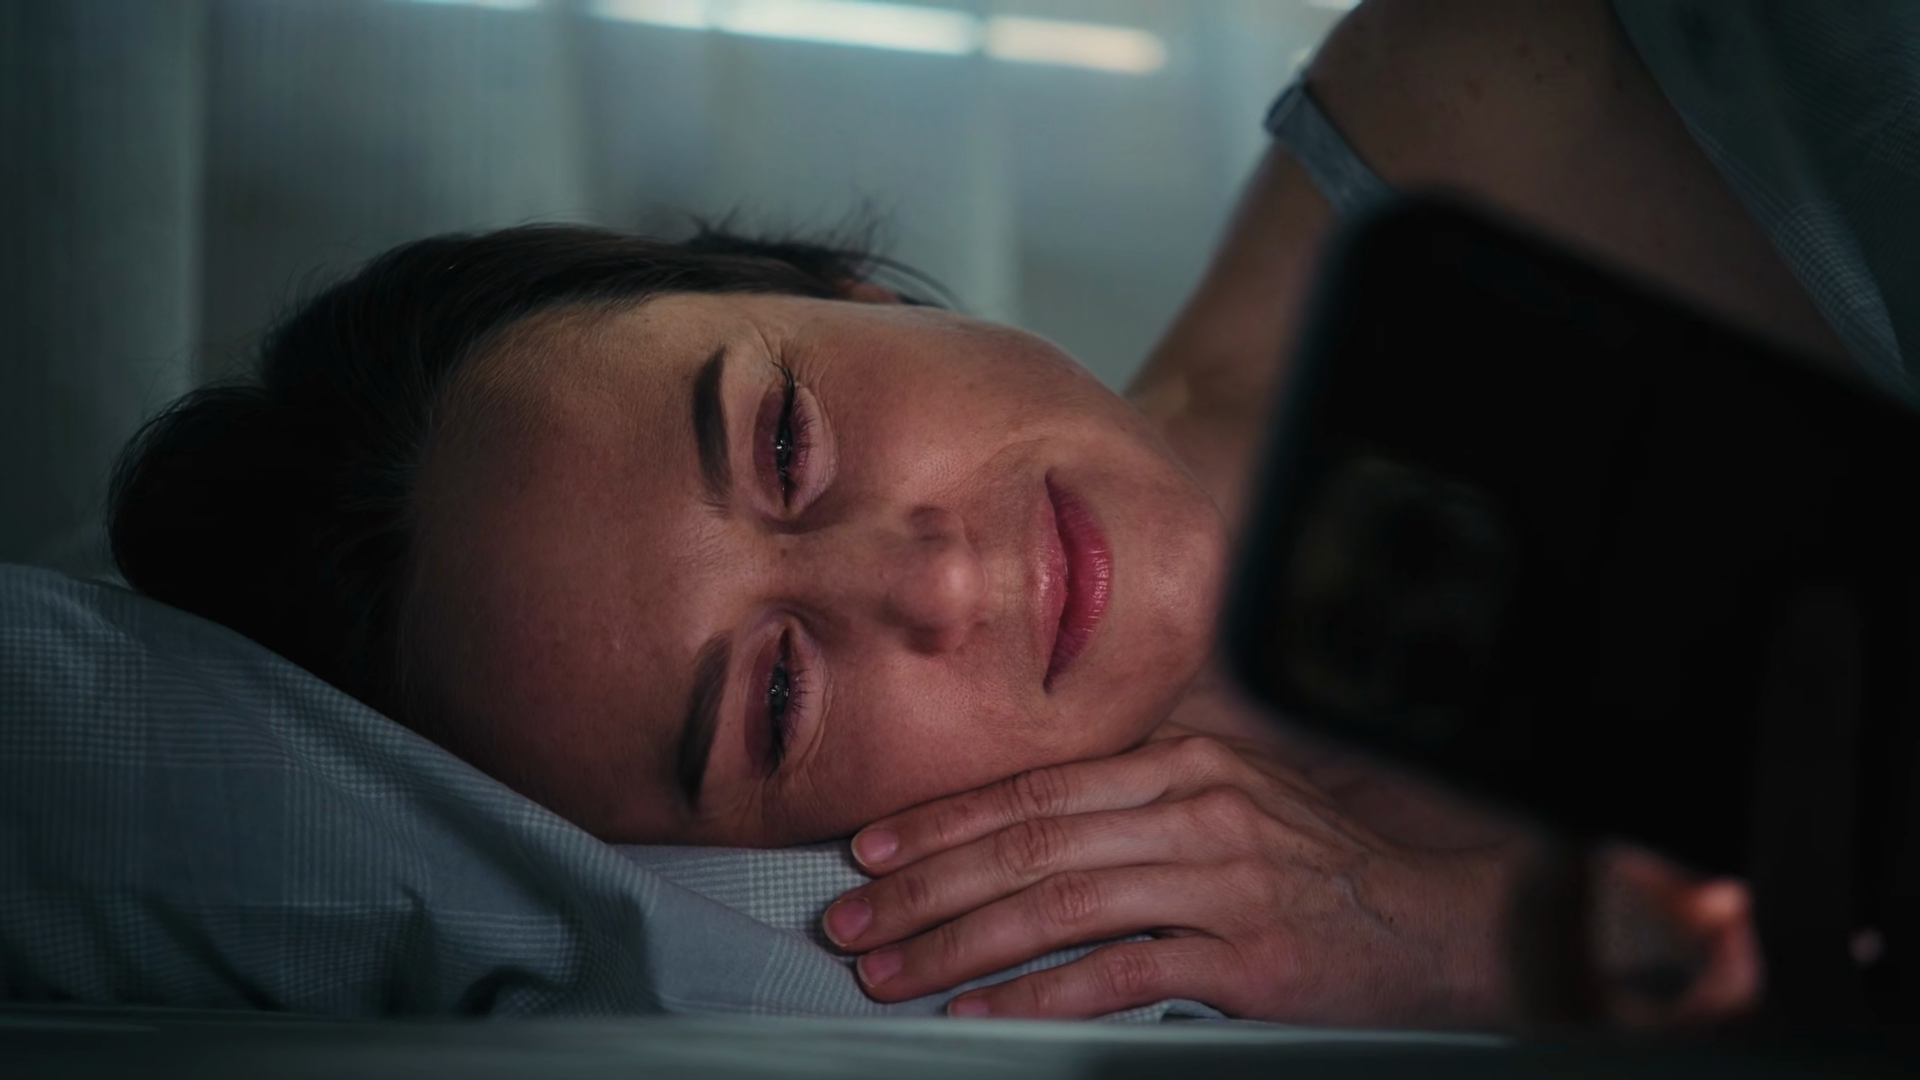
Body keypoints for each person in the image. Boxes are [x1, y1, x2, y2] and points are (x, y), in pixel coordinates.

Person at [117, 0, 1899, 1029]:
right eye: (777, 696)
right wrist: (1465, 942)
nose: (933, 574)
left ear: (843, 289)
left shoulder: (1529, 75)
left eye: (786, 437)